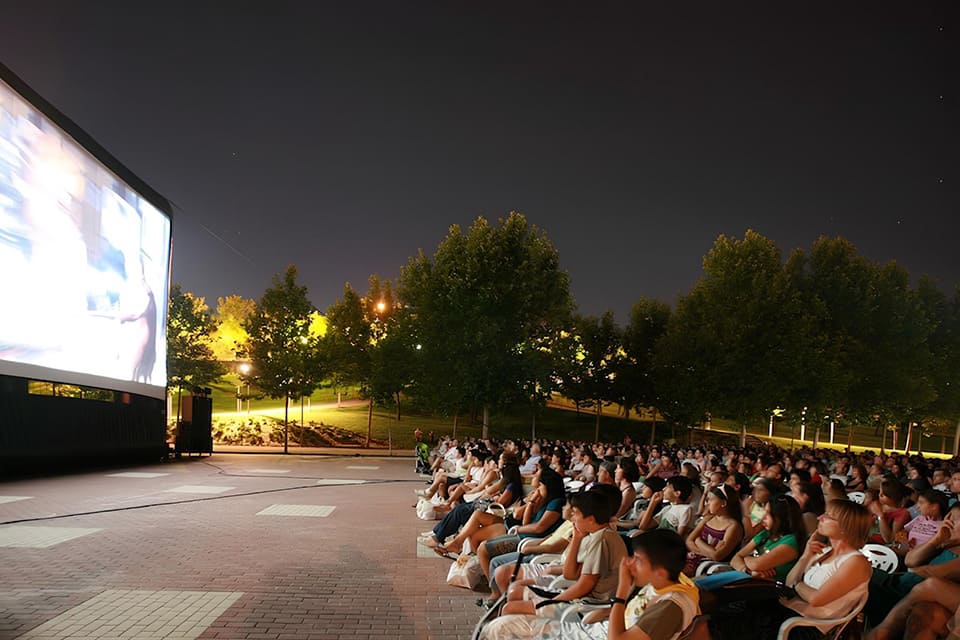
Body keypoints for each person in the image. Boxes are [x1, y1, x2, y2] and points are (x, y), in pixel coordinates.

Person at [730, 494, 803, 582]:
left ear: (781, 518)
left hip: (770, 587)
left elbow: (756, 565)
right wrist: (747, 571)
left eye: (768, 514)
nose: (762, 517)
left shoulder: (790, 541)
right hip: (748, 579)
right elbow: (735, 558)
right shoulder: (765, 534)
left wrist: (745, 558)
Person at [683, 484, 743, 576]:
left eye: (711, 500)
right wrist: (709, 551)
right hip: (697, 558)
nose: (708, 503)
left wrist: (698, 541)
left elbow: (717, 556)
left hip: (714, 566)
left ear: (723, 503)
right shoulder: (708, 519)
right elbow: (688, 541)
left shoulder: (733, 526)